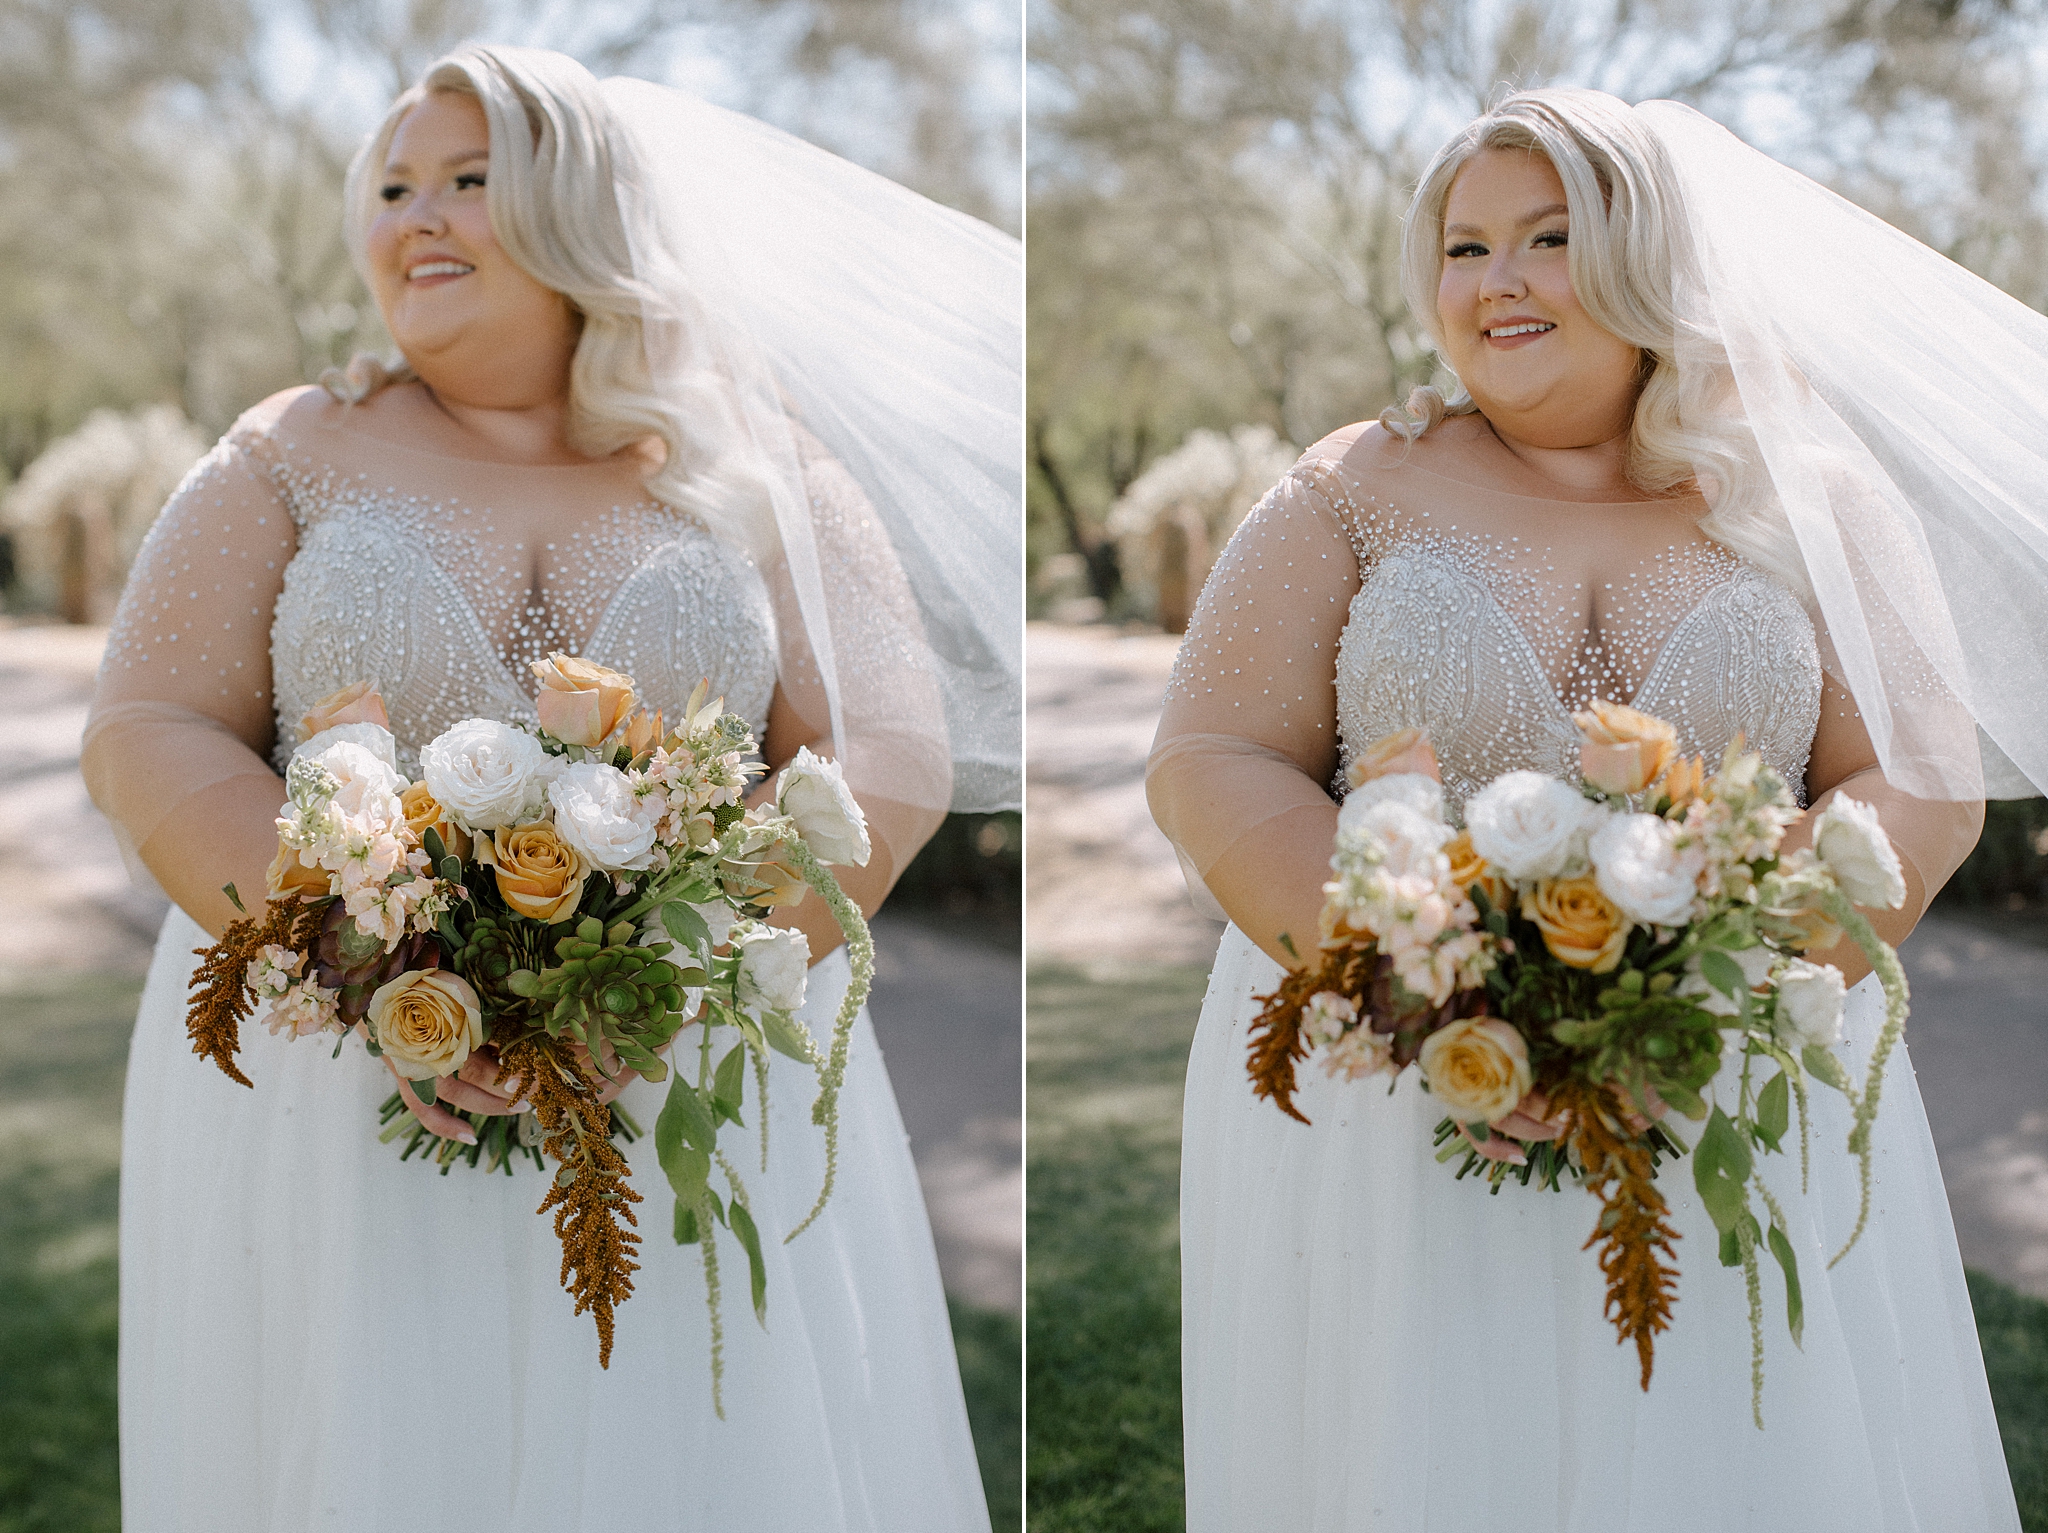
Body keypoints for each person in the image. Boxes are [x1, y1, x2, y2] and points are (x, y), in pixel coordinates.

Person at [81, 44, 1018, 1530]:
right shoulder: (289, 449)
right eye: (391, 186)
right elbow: (147, 727)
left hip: (694, 1060)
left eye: (469, 181)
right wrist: (376, 958)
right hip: (345, 1074)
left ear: (585, 210)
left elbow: (885, 751)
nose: (416, 217)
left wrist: (664, 976)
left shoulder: (760, 465)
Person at [1148, 87, 2033, 1530]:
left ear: (1651, 258)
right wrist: (1420, 977)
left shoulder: (1809, 492)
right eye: (1464, 244)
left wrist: (1711, 979)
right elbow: (1212, 754)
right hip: (1405, 1080)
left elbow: (1920, 777)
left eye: (1549, 237)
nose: (1497, 279)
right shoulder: (1351, 483)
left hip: (1724, 1066)